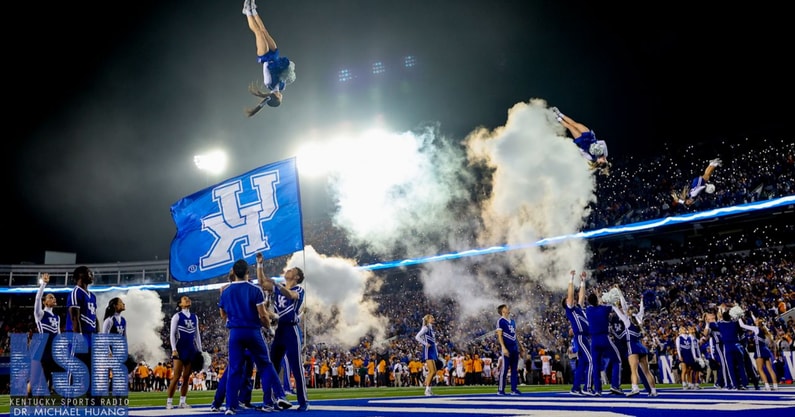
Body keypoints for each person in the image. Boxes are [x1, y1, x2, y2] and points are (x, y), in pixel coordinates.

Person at [219, 259, 291, 415]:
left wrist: (232, 321)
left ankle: (230, 407)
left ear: (234, 272)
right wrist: (269, 328)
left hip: (235, 333)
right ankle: (269, 402)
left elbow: (223, 314)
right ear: (247, 272)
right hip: (253, 331)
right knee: (265, 365)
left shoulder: (225, 291)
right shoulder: (255, 289)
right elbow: (263, 315)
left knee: (234, 369)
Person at [257, 253, 309, 411]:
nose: (288, 270)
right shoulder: (279, 287)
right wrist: (259, 265)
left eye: (292, 269)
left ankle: (303, 401)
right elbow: (261, 282)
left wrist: (278, 286)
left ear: (297, 276)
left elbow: (291, 295)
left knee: (296, 366)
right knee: (271, 364)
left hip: (291, 330)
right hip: (280, 330)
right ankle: (273, 398)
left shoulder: (298, 289)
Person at [242, 0, 296, 117]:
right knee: (264, 31)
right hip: (275, 56)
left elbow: (266, 68)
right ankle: (253, 9)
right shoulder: (282, 86)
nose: (282, 97)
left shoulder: (269, 84)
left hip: (266, 57)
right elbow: (285, 72)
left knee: (258, 33)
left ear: (276, 98)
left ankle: (247, 12)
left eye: (280, 99)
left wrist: (269, 59)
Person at [612, 291, 657, 397]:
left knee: (634, 369)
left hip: (632, 346)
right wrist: (641, 300)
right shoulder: (639, 318)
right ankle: (654, 391)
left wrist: (612, 304)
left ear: (628, 312)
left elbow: (620, 309)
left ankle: (635, 388)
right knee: (647, 371)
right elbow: (642, 309)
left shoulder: (627, 321)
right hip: (642, 347)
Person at [585, 287, 624, 396]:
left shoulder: (588, 310)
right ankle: (615, 385)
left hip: (594, 341)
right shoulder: (604, 309)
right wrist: (600, 296)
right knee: (617, 360)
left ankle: (598, 390)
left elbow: (596, 303)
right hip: (604, 338)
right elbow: (608, 303)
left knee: (596, 365)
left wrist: (597, 297)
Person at [166, 296, 203, 409]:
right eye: (184, 299)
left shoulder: (194, 317)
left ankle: (182, 401)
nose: (187, 300)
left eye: (188, 299)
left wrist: (200, 350)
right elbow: (172, 334)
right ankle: (169, 402)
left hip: (191, 349)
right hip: (180, 348)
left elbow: (197, 334)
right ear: (180, 304)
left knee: (186, 377)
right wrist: (173, 349)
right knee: (176, 376)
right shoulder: (177, 316)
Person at [65, 266, 98, 394]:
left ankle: (93, 401)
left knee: (92, 368)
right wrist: (78, 336)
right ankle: (68, 400)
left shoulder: (93, 296)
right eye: (89, 273)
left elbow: (95, 318)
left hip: (90, 335)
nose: (92, 275)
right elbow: (74, 316)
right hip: (78, 334)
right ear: (80, 275)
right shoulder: (76, 292)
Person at [550, 107, 611, 175]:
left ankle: (557, 118)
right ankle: (559, 113)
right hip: (590, 136)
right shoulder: (605, 154)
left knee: (570, 127)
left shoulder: (592, 158)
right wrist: (595, 143)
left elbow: (582, 152)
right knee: (574, 124)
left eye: (602, 161)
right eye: (605, 160)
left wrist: (584, 147)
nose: (604, 159)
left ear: (599, 162)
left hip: (582, 141)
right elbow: (603, 142)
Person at [562, 270, 592, 396]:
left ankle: (575, 388)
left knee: (583, 363)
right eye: (569, 299)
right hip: (580, 337)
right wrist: (571, 278)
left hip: (585, 337)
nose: (572, 299)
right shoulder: (570, 310)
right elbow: (571, 294)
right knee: (591, 361)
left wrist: (583, 281)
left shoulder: (578, 308)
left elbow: (581, 296)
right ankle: (587, 387)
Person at [31, 273, 59, 395]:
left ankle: (41, 402)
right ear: (45, 302)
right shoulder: (40, 314)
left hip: (52, 349)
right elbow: (37, 298)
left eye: (54, 297)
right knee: (37, 378)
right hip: (42, 349)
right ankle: (28, 400)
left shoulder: (57, 317)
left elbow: (58, 335)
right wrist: (44, 284)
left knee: (48, 374)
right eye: (50, 297)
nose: (53, 299)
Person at [496, 304, 525, 395]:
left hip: (514, 348)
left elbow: (515, 335)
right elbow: (499, 335)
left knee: (514, 369)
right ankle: (501, 390)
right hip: (507, 347)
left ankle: (514, 389)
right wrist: (503, 347)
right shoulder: (500, 321)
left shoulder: (512, 321)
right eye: (505, 308)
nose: (508, 308)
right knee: (504, 369)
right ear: (502, 311)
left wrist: (520, 346)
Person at [415, 314, 439, 396]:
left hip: (432, 350)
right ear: (428, 319)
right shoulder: (425, 328)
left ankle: (428, 387)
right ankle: (427, 390)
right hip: (428, 350)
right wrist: (425, 343)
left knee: (434, 371)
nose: (433, 318)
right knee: (432, 371)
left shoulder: (431, 328)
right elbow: (417, 337)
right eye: (431, 317)